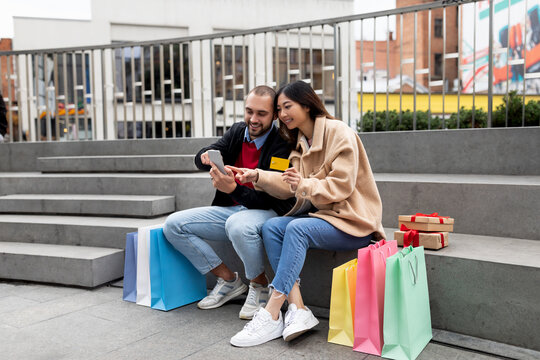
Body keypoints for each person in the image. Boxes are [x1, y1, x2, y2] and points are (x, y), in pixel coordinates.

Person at [228, 80, 386, 347]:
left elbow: (341, 186)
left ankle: (272, 310)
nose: (282, 114)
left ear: (307, 104)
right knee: (272, 227)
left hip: (355, 222)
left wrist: (304, 184)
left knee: (295, 228)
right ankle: (299, 309)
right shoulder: (299, 143)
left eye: (287, 106)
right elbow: (289, 186)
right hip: (326, 219)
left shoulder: (339, 133)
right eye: (279, 109)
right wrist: (258, 175)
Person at [163, 85, 295, 320]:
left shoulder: (282, 143)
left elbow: (272, 196)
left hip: (268, 211)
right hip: (233, 210)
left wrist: (234, 189)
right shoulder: (237, 132)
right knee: (173, 225)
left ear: (274, 116)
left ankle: (260, 284)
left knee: (238, 223)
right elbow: (205, 155)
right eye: (249, 111)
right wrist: (206, 155)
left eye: (261, 114)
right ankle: (228, 280)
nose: (253, 119)